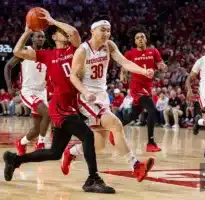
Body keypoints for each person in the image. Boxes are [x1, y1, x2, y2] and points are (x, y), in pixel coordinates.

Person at [2, 8, 115, 193]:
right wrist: (28, 31)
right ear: (54, 37)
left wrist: (53, 21)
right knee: (87, 135)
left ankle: (14, 159)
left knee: (54, 153)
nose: (65, 33)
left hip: (72, 104)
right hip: (60, 106)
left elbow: (75, 33)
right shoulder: (47, 55)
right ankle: (92, 179)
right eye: (60, 32)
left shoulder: (75, 49)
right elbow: (17, 51)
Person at [64, 15, 155, 182]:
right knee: (115, 124)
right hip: (87, 98)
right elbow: (72, 77)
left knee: (98, 145)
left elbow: (125, 62)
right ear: (92, 31)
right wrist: (84, 92)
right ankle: (135, 166)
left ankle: (71, 152)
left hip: (102, 96)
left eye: (109, 30)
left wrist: (143, 71)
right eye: (102, 30)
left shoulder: (109, 46)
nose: (106, 33)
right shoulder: (82, 51)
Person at [120, 28, 167, 152]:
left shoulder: (153, 51)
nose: (140, 39)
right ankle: (150, 143)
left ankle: (114, 129)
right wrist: (122, 74)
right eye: (137, 38)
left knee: (133, 115)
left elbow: (161, 65)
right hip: (136, 87)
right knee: (152, 110)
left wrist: (163, 67)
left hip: (148, 87)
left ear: (146, 39)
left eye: (142, 37)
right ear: (135, 41)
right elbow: (124, 66)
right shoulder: (130, 53)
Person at [4, 31, 51, 154]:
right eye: (38, 36)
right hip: (28, 91)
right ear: (32, 39)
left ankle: (21, 143)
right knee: (48, 113)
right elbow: (8, 66)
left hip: (42, 91)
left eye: (42, 37)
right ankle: (40, 143)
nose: (41, 38)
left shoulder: (47, 53)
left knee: (36, 129)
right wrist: (10, 86)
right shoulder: (25, 51)